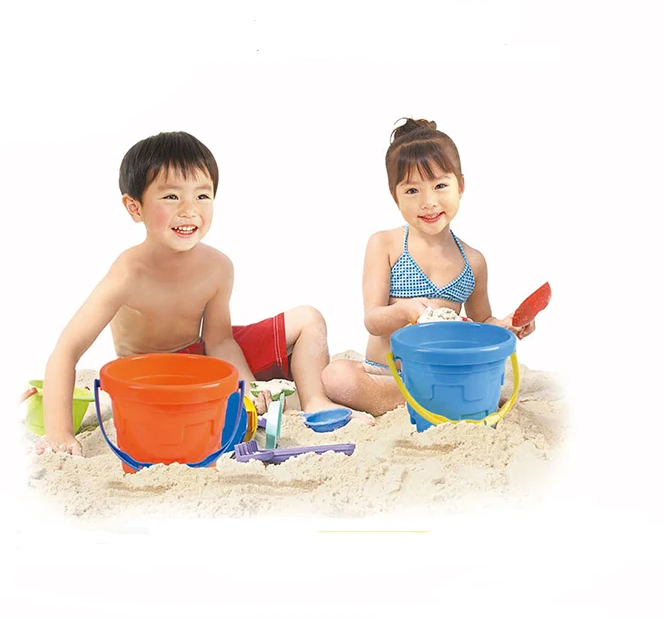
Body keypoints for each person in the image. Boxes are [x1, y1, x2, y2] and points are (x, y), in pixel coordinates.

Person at [38, 131, 371, 455]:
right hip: (154, 376)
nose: (189, 209)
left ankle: (315, 402)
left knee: (308, 318)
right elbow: (66, 350)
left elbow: (220, 341)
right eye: (171, 197)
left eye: (202, 195)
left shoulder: (217, 266)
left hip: (202, 357)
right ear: (134, 207)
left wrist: (247, 386)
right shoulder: (128, 274)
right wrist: (59, 432)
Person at [320, 118, 537, 417]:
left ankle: (436, 397)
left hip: (442, 373)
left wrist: (508, 324)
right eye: (412, 191)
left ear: (461, 186)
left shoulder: (472, 261)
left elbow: (481, 324)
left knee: (471, 371)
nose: (428, 202)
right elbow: (372, 320)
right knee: (336, 376)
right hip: (386, 372)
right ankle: (439, 400)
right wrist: (405, 311)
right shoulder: (386, 245)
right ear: (395, 196)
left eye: (440, 186)